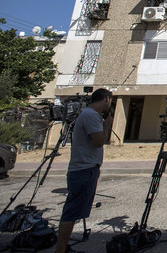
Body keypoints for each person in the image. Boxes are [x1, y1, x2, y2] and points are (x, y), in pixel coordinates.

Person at [56, 88, 113, 253]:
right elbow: (99, 141)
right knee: (72, 212)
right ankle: (60, 249)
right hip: (84, 170)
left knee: (73, 211)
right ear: (106, 100)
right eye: (110, 101)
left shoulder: (88, 115)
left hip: (85, 168)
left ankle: (63, 247)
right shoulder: (92, 116)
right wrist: (107, 126)